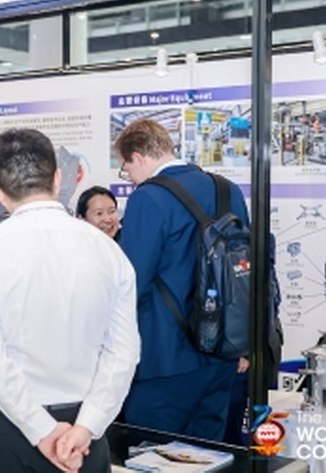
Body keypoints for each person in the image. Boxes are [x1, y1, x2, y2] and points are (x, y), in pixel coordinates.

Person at [0, 128, 139, 473]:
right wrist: (87, 427)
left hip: (9, 430)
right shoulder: (108, 250)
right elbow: (123, 352)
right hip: (83, 436)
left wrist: (42, 430)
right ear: (58, 178)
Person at [114, 118, 250, 442]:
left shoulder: (148, 197)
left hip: (165, 359)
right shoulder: (227, 190)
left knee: (152, 455)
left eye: (126, 169)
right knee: (206, 454)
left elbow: (131, 283)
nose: (129, 178)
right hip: (223, 352)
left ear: (138, 157)